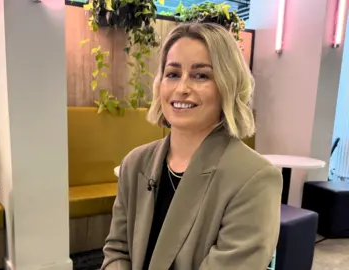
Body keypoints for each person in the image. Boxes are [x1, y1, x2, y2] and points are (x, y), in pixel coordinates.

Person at [101, 22, 283, 270]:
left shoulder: (255, 179)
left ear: (227, 85)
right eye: (173, 74)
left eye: (201, 75)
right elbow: (116, 251)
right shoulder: (135, 163)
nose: (182, 88)